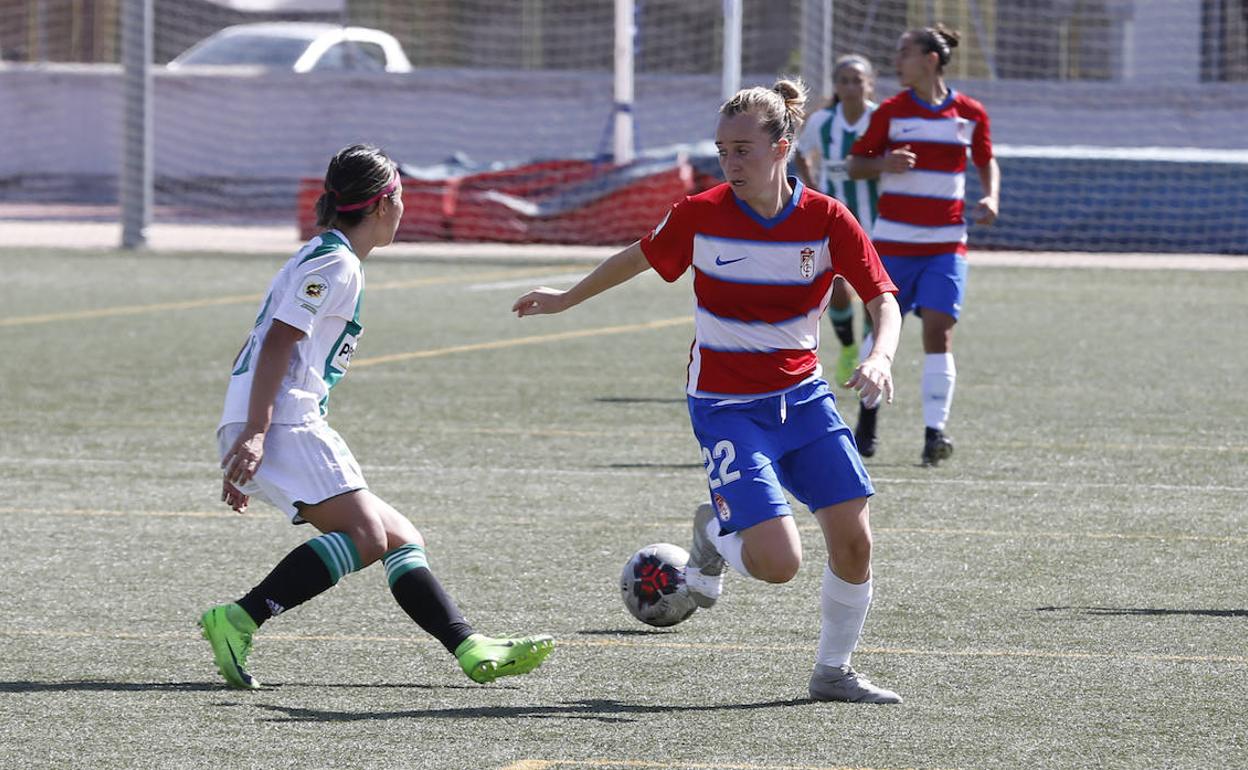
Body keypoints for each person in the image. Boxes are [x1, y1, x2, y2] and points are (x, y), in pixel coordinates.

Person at [513, 79, 904, 704]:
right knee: (780, 564)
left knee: (855, 542)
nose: (731, 162)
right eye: (723, 150)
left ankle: (832, 671)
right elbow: (638, 257)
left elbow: (883, 297)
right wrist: (565, 298)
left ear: (783, 146)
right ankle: (714, 537)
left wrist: (880, 356)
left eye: (744, 149)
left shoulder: (827, 219)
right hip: (726, 406)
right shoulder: (700, 213)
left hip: (804, 399)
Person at [200, 144, 554, 690]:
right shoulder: (335, 262)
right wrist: (256, 432)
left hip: (274, 417)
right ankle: (241, 617)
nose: (405, 209)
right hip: (286, 420)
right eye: (402, 197)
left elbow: (260, 343)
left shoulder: (323, 255)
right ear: (383, 204)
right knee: (366, 537)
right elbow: (276, 342)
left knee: (397, 535)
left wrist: (248, 430)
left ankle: (469, 646)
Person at [846, 24, 999, 466]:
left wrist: (990, 196)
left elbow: (987, 162)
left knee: (939, 330)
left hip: (946, 245)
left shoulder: (969, 113)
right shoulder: (891, 112)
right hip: (892, 244)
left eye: (904, 53)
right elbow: (856, 164)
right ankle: (868, 422)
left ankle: (935, 433)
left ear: (930, 59)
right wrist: (884, 163)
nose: (897, 61)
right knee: (879, 335)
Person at [795, 54, 883, 389]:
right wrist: (814, 186)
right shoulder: (823, 121)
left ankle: (865, 355)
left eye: (856, 80)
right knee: (836, 286)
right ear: (836, 86)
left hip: (876, 220)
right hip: (833, 221)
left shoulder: (881, 119)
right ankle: (848, 348)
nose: (850, 87)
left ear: (869, 84)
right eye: (843, 80)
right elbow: (802, 152)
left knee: (872, 289)